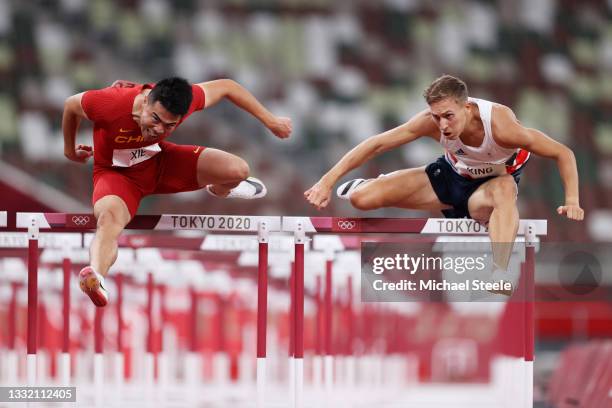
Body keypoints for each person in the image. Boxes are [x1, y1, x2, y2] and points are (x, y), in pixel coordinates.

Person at [305, 74, 583, 295]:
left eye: (449, 116)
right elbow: (377, 144)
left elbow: (563, 153)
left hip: (487, 191)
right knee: (361, 200)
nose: (443, 125)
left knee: (506, 188)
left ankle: (500, 271)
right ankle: (374, 184)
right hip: (449, 179)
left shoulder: (502, 126)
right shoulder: (432, 122)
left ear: (468, 107)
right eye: (436, 117)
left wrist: (571, 199)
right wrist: (326, 181)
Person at [63, 77, 292, 306]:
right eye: (155, 119)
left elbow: (227, 87)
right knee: (110, 219)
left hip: (162, 163)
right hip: (118, 178)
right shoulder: (110, 103)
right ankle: (97, 277)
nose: (159, 130)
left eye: (169, 125)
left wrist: (271, 121)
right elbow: (71, 105)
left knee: (239, 169)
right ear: (144, 102)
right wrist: (70, 150)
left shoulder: (186, 100)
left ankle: (220, 189)